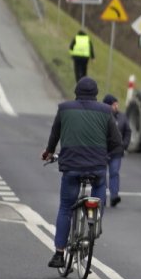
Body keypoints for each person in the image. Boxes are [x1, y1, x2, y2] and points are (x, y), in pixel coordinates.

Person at [41, 76, 121, 269]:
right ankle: (95, 224)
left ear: (76, 92)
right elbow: (116, 140)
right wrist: (104, 154)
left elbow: (55, 134)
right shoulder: (106, 111)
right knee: (99, 192)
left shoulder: (64, 108)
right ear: (96, 94)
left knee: (66, 207)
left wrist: (49, 152)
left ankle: (59, 254)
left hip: (72, 167)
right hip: (97, 167)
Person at [104, 93, 130, 207]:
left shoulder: (122, 117)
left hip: (116, 151)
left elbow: (128, 131)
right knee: (101, 174)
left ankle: (114, 196)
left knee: (114, 173)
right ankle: (101, 196)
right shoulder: (102, 116)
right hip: (103, 151)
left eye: (117, 104)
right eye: (114, 105)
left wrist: (124, 145)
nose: (116, 107)